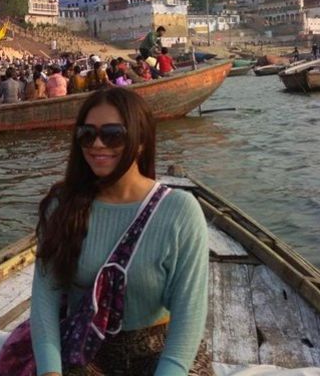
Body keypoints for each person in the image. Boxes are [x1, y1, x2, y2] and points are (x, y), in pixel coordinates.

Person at [30, 88, 210, 376]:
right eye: (87, 134)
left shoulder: (180, 211)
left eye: (113, 134)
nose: (97, 144)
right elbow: (44, 300)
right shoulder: (61, 207)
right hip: (84, 348)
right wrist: (50, 372)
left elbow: (190, 311)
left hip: (157, 349)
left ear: (139, 140)